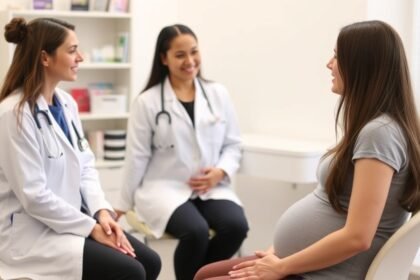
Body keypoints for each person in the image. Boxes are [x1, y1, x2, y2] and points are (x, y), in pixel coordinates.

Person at [194, 20, 420, 280]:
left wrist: (281, 266)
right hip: (307, 263)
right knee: (204, 273)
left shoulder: (379, 133)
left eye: (337, 56)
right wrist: (278, 254)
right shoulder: (376, 126)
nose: (329, 64)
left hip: (332, 272)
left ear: (361, 65)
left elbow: (358, 237)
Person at [0, 17, 161, 280]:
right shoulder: (13, 114)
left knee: (150, 262)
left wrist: (101, 212)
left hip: (71, 220)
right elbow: (34, 196)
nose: (81, 57)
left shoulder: (66, 103)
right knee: (130, 271)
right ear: (45, 58)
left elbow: (85, 165)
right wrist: (91, 228)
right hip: (32, 234)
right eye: (72, 50)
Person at [114, 23, 249, 280]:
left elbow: (233, 144)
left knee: (236, 226)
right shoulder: (148, 102)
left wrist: (220, 172)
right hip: (164, 187)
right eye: (180, 55)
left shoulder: (217, 94)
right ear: (164, 59)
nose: (190, 61)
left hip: (210, 187)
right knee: (195, 231)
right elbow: (137, 157)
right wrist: (121, 205)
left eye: (194, 52)